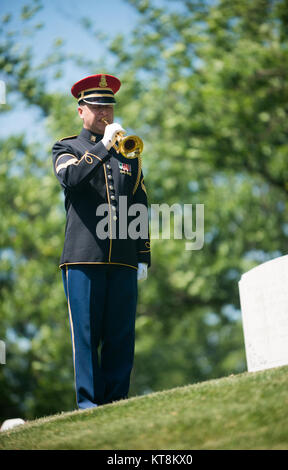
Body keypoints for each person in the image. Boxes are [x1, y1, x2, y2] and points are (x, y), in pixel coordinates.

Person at [52, 73, 150, 409]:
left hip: (123, 258)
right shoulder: (67, 148)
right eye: (96, 106)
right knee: (87, 335)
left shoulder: (128, 153)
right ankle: (89, 405)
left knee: (121, 336)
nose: (104, 112)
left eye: (108, 106)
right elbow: (72, 179)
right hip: (83, 258)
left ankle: (117, 403)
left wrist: (142, 255)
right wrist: (103, 145)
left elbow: (139, 204)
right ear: (81, 111)